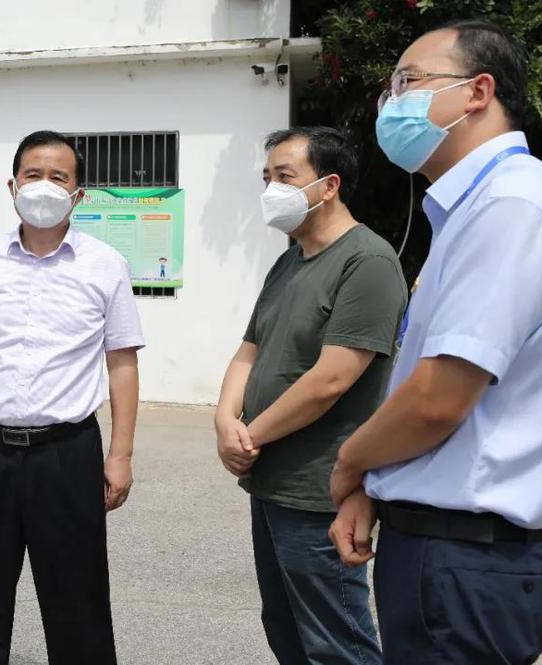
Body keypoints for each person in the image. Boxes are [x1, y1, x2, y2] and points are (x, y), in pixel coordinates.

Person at [329, 20, 542, 665]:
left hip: (467, 555)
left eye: (408, 82)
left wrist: (350, 463)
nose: (391, 104)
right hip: (448, 548)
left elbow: (436, 400)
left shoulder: (510, 204)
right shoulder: (474, 207)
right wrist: (374, 486)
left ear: (478, 91)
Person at [0, 130, 145, 665]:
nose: (44, 186)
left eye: (58, 177)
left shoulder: (105, 265)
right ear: (13, 186)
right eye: (33, 175)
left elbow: (122, 364)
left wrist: (119, 454)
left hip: (67, 452)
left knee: (77, 601)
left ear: (79, 194)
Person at [216, 126, 406, 664]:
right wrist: (224, 419)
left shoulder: (366, 262)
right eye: (267, 178)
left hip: (319, 489)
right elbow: (248, 351)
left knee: (335, 640)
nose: (271, 190)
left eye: (285, 176)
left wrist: (249, 434)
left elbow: (331, 380)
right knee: (285, 628)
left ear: (329, 185)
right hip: (270, 482)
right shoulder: (289, 261)